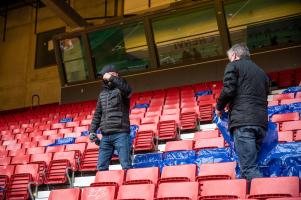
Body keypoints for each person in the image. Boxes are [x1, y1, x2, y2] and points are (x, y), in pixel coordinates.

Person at [215, 43, 269, 181]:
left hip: (243, 123)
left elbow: (228, 90)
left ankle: (264, 193)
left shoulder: (233, 65)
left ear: (234, 55)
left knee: (249, 169)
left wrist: (219, 107)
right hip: (261, 123)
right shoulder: (261, 72)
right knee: (248, 167)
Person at [89, 64, 132, 171]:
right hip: (106, 137)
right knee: (101, 167)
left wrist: (112, 78)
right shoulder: (102, 94)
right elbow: (98, 114)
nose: (103, 77)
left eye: (105, 75)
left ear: (113, 74)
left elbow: (127, 90)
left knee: (126, 165)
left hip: (120, 134)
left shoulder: (121, 90)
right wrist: (92, 131)